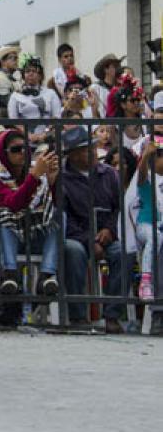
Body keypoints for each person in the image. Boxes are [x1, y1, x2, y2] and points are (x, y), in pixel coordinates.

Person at [61, 125, 125, 333]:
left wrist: (109, 230)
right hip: (78, 235)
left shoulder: (109, 174)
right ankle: (78, 315)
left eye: (91, 146)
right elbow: (63, 217)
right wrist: (89, 240)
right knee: (73, 251)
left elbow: (118, 208)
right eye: (83, 149)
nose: (91, 151)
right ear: (72, 155)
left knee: (123, 252)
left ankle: (112, 315)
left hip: (106, 234)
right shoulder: (63, 179)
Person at [0, 129, 60, 297]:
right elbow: (13, 205)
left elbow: (52, 205)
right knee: (4, 217)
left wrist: (52, 181)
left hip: (34, 232)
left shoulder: (37, 170)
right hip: (5, 237)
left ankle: (47, 275)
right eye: (15, 149)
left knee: (58, 216)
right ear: (3, 153)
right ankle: (9, 274)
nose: (22, 153)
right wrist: (34, 177)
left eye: (24, 148)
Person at [128, 141, 163, 301]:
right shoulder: (147, 178)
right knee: (157, 237)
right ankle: (146, 280)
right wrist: (147, 154)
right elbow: (141, 174)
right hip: (146, 226)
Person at [7, 55, 61, 138]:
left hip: (48, 137)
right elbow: (14, 121)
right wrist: (29, 136)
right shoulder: (15, 96)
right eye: (28, 71)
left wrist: (44, 134)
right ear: (23, 75)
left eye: (34, 71)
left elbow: (56, 116)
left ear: (40, 75)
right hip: (23, 139)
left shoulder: (50, 93)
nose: (31, 73)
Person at [90, 53, 124, 118]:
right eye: (114, 66)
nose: (118, 68)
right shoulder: (95, 88)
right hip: (103, 125)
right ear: (106, 69)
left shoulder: (122, 87)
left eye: (118, 66)